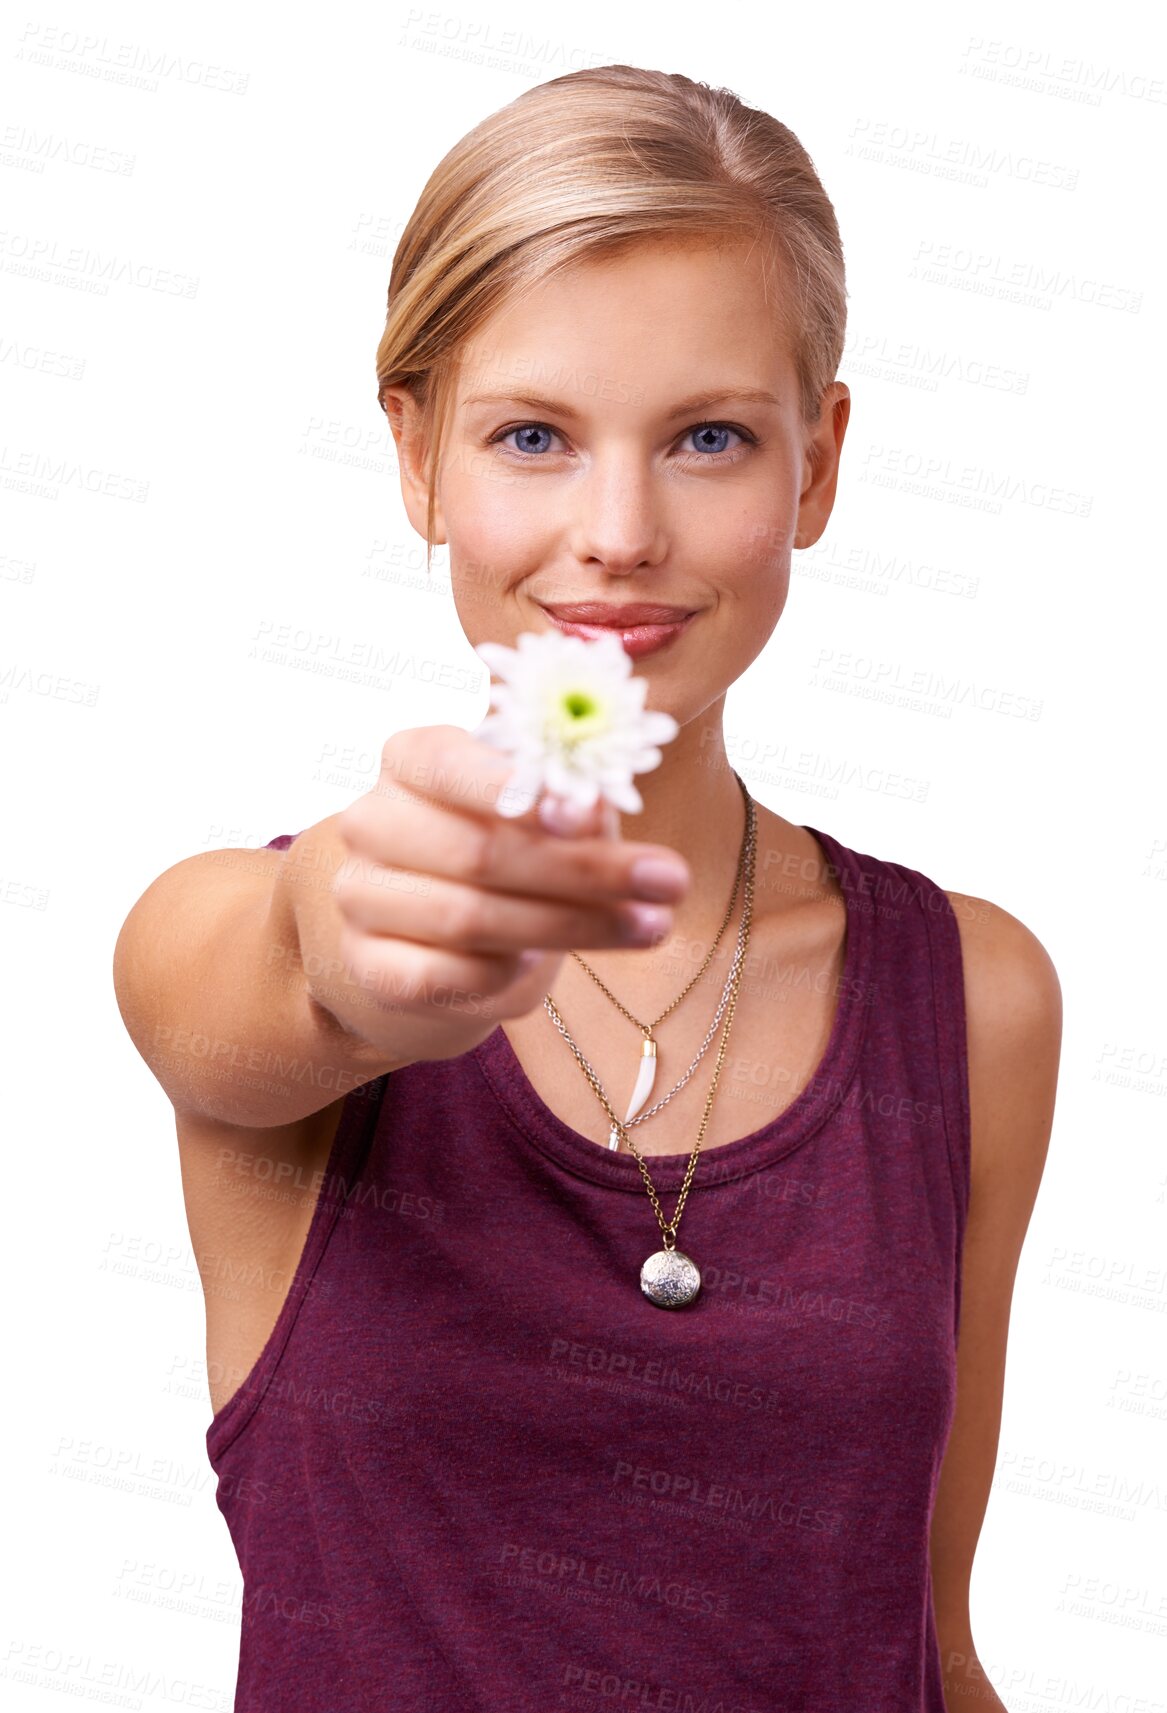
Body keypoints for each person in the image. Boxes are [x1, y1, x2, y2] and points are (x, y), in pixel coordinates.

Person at [112, 63, 1061, 1711]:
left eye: (708, 437)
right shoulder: (240, 937)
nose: (617, 532)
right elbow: (274, 979)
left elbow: (934, 1641)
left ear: (818, 469)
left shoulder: (972, 996)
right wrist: (355, 948)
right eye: (534, 437)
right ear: (417, 458)